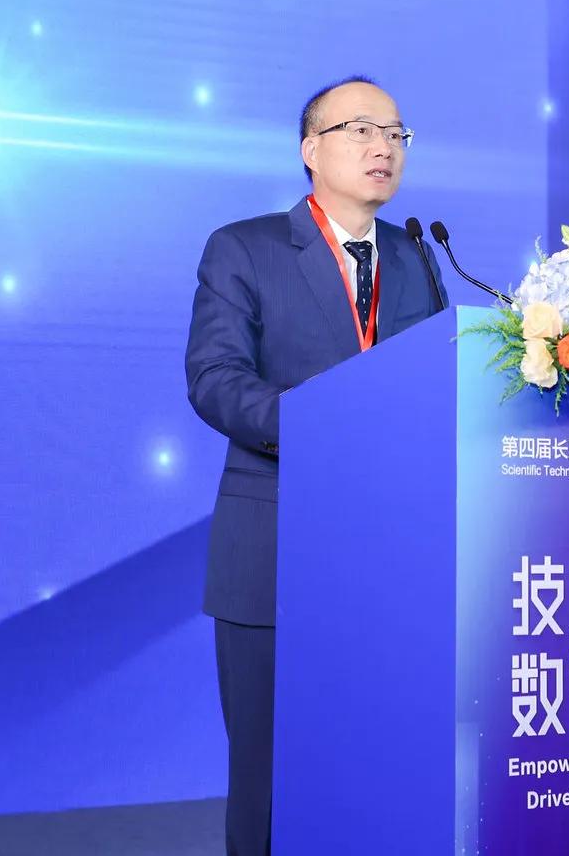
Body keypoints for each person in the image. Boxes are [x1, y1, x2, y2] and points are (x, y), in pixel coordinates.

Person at [184, 76, 448, 855]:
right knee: (271, 783)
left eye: (395, 134)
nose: (382, 147)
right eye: (360, 129)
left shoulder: (417, 256)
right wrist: (329, 425)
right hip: (278, 553)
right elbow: (216, 379)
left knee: (376, 772)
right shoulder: (245, 247)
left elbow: (435, 383)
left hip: (393, 562)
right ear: (310, 148)